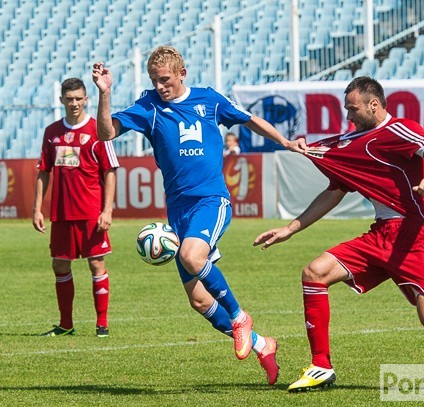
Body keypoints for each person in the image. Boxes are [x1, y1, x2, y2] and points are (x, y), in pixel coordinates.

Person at [254, 77, 424, 392]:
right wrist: (290, 228)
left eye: (353, 109)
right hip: (380, 234)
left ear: (374, 104)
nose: (349, 116)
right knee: (314, 273)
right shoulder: (350, 143)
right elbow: (334, 191)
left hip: (413, 236)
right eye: (346, 110)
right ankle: (321, 366)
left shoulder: (399, 130)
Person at [92, 45, 307, 384]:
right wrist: (104, 94)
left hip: (211, 201)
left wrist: (285, 141)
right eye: (154, 80)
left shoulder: (210, 100)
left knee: (192, 256)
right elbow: (106, 133)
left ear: (182, 74)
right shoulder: (149, 107)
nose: (160, 86)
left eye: (165, 80)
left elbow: (251, 121)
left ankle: (239, 316)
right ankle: (263, 344)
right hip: (178, 211)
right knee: (198, 300)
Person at [33, 78, 120, 338]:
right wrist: (37, 208)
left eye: (79, 98)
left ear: (86, 99)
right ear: (61, 100)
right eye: (69, 99)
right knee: (59, 266)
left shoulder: (98, 130)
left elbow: (110, 171)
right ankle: (66, 324)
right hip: (61, 213)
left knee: (96, 265)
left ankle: (101, 324)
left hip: (91, 212)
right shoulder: (52, 132)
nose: (74, 103)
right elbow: (43, 171)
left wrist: (107, 210)